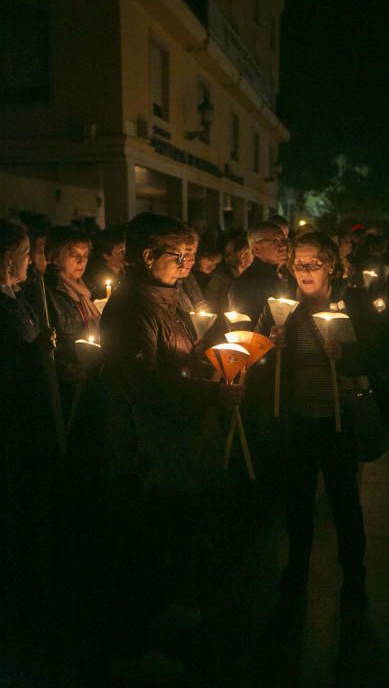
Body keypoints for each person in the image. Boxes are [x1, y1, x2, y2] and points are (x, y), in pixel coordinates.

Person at [98, 213, 244, 682]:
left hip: (177, 441)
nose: (186, 266)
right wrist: (210, 392)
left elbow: (180, 351)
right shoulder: (130, 307)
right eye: (178, 257)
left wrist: (215, 356)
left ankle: (159, 620)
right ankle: (134, 642)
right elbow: (142, 381)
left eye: (189, 257)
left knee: (171, 534)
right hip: (146, 445)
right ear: (147, 257)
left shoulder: (169, 296)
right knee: (145, 540)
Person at [258, 232, 389, 607]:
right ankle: (296, 569)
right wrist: (271, 344)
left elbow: (381, 352)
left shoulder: (354, 302)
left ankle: (353, 574)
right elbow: (256, 355)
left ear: (331, 263)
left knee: (344, 500)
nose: (305, 271)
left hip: (340, 419)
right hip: (298, 420)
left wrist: (347, 353)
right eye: (298, 264)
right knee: (298, 501)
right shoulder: (281, 307)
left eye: (314, 263)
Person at [0, 220, 57, 635]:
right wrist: (36, 354)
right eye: (26, 255)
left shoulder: (15, 301)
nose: (32, 263)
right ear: (7, 261)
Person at [44, 226, 100, 413]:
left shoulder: (86, 290)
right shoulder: (47, 293)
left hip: (91, 373)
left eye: (85, 255)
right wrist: (64, 368)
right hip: (69, 380)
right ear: (54, 256)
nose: (81, 261)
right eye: (73, 254)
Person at [228, 221, 294, 325]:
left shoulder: (292, 274)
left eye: (284, 240)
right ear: (256, 249)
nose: (283, 246)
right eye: (275, 241)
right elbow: (243, 330)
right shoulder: (244, 284)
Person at [205, 233, 253, 315]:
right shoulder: (219, 279)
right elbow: (213, 307)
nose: (244, 257)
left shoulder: (251, 278)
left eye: (249, 253)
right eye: (252, 253)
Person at [84, 225, 126, 299]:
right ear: (106, 256)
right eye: (121, 252)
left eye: (126, 250)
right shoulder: (97, 280)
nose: (126, 255)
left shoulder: (126, 272)